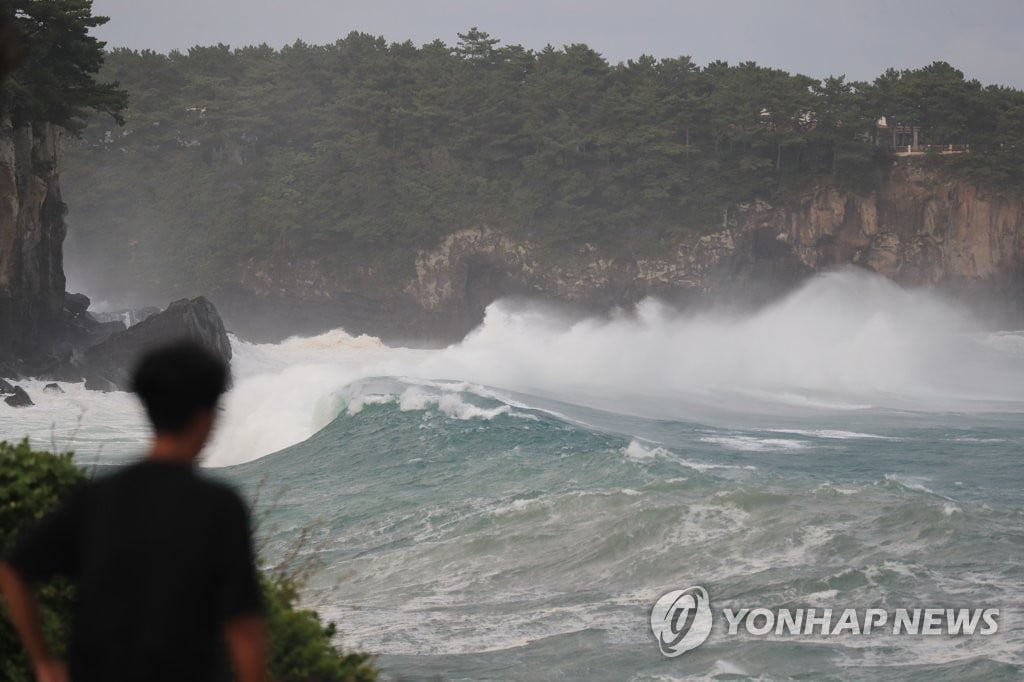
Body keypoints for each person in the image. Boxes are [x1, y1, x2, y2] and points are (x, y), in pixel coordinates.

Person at [0, 341, 266, 682]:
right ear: (206, 416)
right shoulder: (219, 507)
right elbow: (243, 624)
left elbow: (13, 570)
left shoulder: (96, 498)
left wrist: (44, 662)